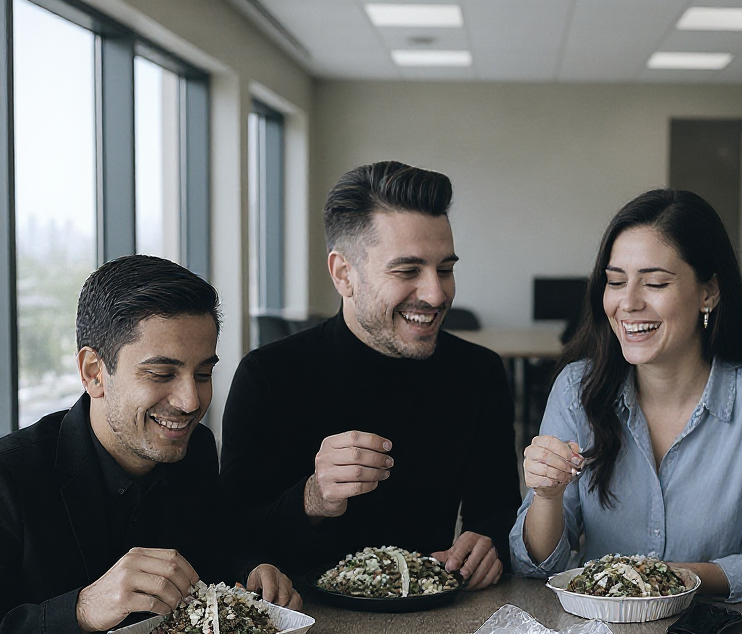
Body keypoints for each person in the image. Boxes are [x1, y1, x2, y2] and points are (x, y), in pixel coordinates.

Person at [0, 255, 300, 634]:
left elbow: (213, 534)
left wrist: (251, 564)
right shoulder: (11, 477)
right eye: (162, 374)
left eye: (204, 373)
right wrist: (83, 610)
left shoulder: (196, 449)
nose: (190, 401)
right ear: (95, 372)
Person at [221, 161, 521, 587]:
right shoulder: (267, 376)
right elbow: (232, 538)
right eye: (407, 271)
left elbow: (498, 512)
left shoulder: (479, 372)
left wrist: (490, 542)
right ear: (344, 274)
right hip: (307, 624)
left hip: (434, 611)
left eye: (446, 269)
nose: (436, 293)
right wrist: (314, 497)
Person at [510, 189, 742, 601]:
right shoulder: (576, 389)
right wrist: (546, 496)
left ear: (709, 292)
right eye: (615, 282)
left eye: (654, 283)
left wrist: (651, 579)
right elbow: (536, 565)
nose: (628, 303)